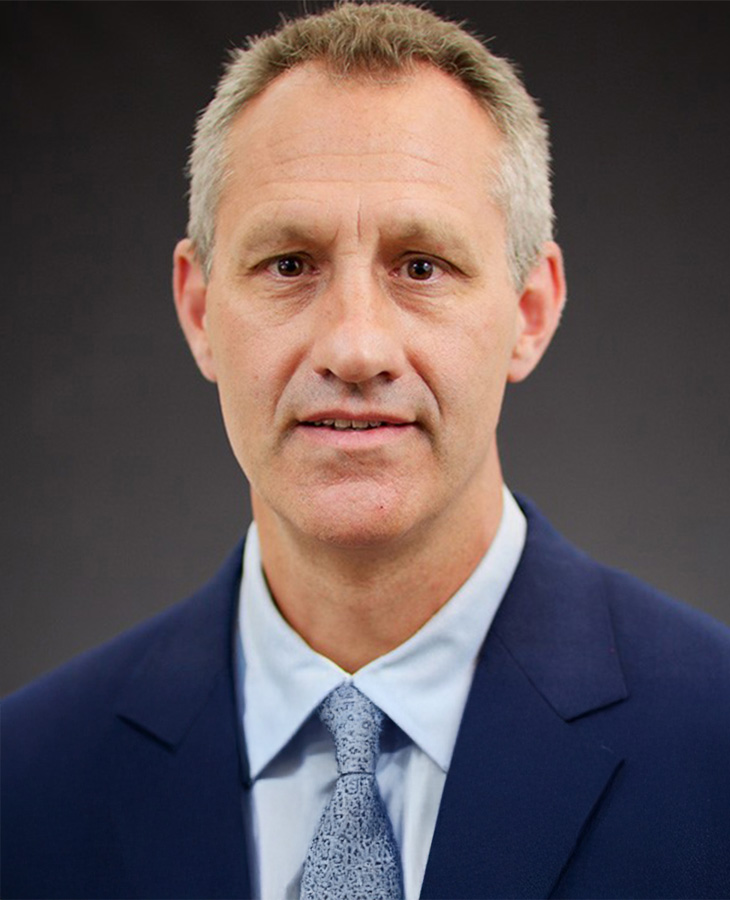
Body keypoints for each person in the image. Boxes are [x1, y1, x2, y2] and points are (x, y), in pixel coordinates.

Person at [3, 3, 729, 898]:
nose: (354, 347)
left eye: (420, 265)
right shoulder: (24, 784)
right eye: (289, 264)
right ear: (199, 311)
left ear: (530, 313)